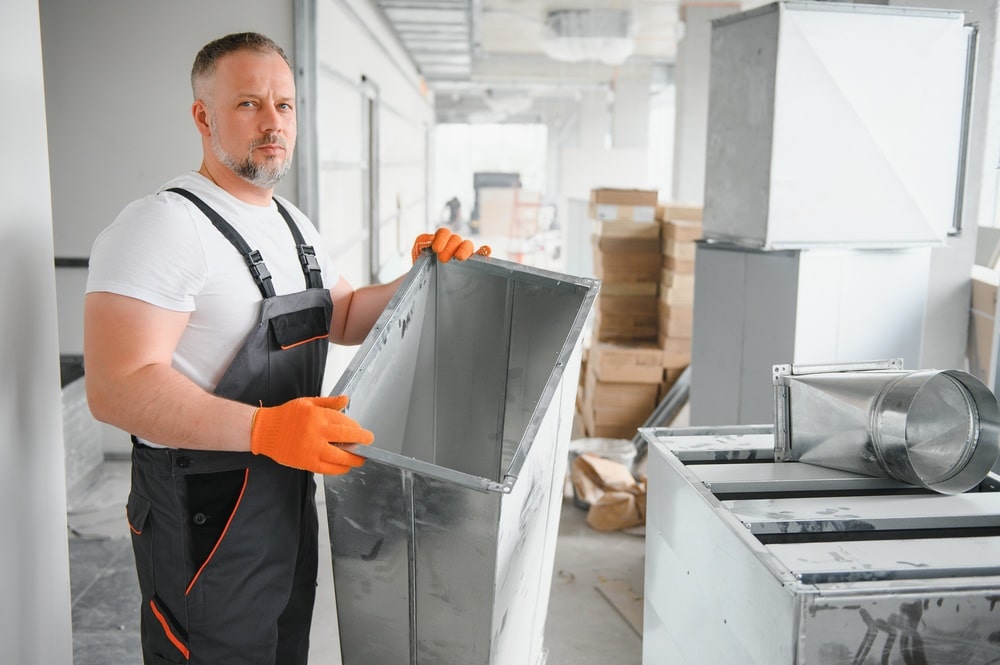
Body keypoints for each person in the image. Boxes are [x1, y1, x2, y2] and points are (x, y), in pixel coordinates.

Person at [83, 32, 488, 665]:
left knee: (280, 649)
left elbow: (346, 314)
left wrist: (424, 281)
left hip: (283, 494)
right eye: (248, 104)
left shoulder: (293, 224)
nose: (273, 122)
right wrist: (265, 428)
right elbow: (117, 386)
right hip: (204, 510)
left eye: (285, 104)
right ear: (203, 115)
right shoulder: (164, 225)